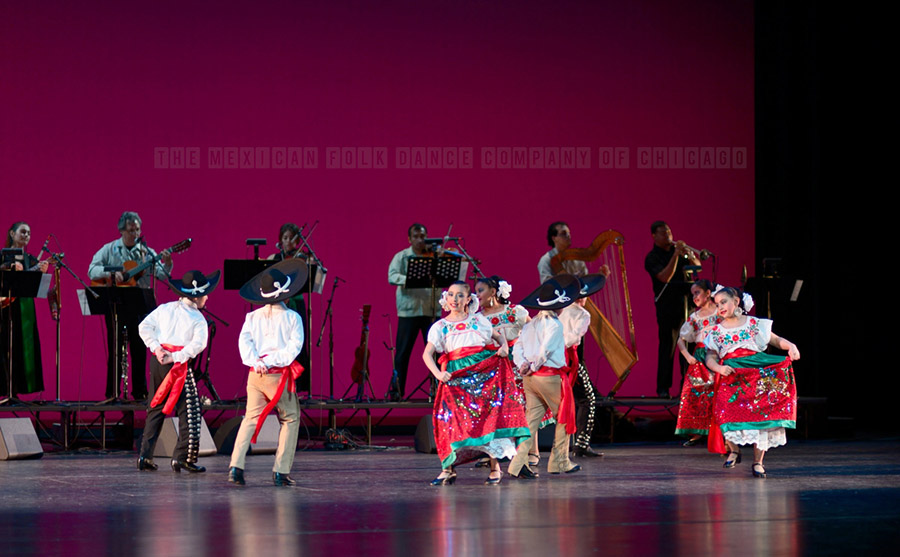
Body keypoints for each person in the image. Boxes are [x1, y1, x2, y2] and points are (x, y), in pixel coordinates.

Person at [422, 281, 530, 486]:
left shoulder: (479, 321)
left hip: (483, 376)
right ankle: (448, 469)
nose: (455, 299)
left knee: (487, 421)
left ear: (468, 299)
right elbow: (427, 353)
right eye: (451, 295)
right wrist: (438, 374)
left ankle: (494, 467)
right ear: (445, 299)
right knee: (451, 422)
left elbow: (499, 338)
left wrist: (504, 349)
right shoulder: (440, 326)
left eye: (460, 295)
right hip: (455, 379)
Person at [704, 286, 800, 479]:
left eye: (724, 302)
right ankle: (734, 450)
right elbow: (709, 358)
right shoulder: (715, 332)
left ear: (736, 302)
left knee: (761, 418)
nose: (720, 307)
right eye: (717, 304)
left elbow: (775, 340)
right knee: (723, 411)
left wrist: (790, 346)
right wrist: (719, 368)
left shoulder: (754, 324)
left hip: (757, 373)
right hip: (732, 375)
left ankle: (758, 462)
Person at [228, 259, 306, 487]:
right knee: (290, 418)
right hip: (278, 376)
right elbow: (293, 349)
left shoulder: (252, 317)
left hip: (256, 375)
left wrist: (257, 361)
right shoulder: (293, 318)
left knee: (250, 418)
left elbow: (244, 342)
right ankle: (281, 471)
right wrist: (269, 361)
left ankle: (235, 466)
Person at [136, 269, 218, 473]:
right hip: (177, 365)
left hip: (159, 361)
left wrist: (156, 348)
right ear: (197, 296)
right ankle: (183, 457)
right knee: (189, 410)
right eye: (205, 294)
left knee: (155, 406)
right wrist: (176, 357)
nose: (207, 297)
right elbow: (198, 345)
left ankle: (145, 456)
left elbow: (144, 326)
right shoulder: (198, 318)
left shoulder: (166, 308)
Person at [88, 211, 173, 400]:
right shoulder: (109, 249)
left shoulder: (146, 252)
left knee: (139, 349)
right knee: (115, 350)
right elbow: (91, 270)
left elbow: (161, 275)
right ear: (121, 231)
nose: (135, 234)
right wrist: (110, 274)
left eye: (137, 230)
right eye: (131, 230)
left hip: (138, 306)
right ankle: (112, 393)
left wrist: (167, 263)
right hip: (115, 306)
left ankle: (140, 392)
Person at [508, 275, 583, 479]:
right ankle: (560, 461)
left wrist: (523, 365)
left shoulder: (530, 325)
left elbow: (518, 347)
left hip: (530, 380)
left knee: (531, 421)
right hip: (548, 377)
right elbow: (546, 350)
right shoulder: (555, 325)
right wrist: (532, 364)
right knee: (564, 417)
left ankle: (517, 464)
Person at [643, 221, 701, 398]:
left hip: (687, 305)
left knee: (690, 345)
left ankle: (687, 385)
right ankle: (663, 388)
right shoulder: (652, 257)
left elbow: (697, 267)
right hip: (667, 306)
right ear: (654, 236)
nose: (668, 236)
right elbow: (664, 277)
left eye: (669, 232)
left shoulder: (678, 251)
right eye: (663, 233)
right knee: (668, 346)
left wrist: (689, 254)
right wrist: (675, 255)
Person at [387, 223, 441, 399]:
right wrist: (411, 277)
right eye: (416, 236)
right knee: (402, 353)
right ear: (409, 239)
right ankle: (397, 391)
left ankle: (437, 390)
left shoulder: (434, 256)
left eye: (423, 236)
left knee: (435, 353)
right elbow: (392, 276)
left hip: (430, 310)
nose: (420, 240)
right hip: (409, 311)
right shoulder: (402, 257)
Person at [561, 272, 608, 458]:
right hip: (571, 361)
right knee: (587, 399)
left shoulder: (559, 308)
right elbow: (573, 338)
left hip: (553, 360)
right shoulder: (581, 313)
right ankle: (581, 444)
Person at [1, 222, 49, 396]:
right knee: (5, 347)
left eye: (28, 233)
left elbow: (40, 290)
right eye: (22, 232)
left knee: (24, 348)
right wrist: (6, 267)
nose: (26, 235)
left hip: (26, 309)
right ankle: (6, 390)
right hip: (4, 308)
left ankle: (19, 391)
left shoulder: (31, 259)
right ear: (12, 234)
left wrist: (42, 273)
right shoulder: (2, 255)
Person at [674, 279, 721, 448]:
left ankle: (721, 430)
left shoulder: (719, 312)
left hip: (718, 354)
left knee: (718, 391)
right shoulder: (694, 317)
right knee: (695, 392)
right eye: (693, 294)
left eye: (697, 292)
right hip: (700, 355)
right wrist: (687, 355)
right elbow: (681, 340)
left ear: (708, 293)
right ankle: (697, 431)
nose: (694, 297)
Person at [267, 222, 311, 391]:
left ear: (297, 242)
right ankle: (278, 383)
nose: (288, 243)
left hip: (296, 304)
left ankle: (299, 386)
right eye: (284, 238)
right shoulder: (274, 258)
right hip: (278, 307)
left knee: (298, 341)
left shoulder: (301, 258)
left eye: (291, 239)